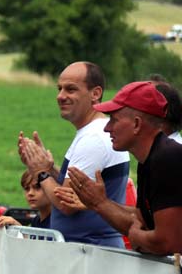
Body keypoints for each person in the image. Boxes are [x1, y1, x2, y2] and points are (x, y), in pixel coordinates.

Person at [62, 81, 182, 255]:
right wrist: (99, 203)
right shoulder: (150, 159)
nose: (106, 128)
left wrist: (136, 238)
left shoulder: (167, 159)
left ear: (136, 124)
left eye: (114, 120)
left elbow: (166, 242)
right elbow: (143, 218)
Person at [18, 61, 130, 248]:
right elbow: (75, 189)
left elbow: (66, 203)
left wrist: (41, 173)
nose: (61, 96)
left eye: (71, 89)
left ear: (95, 93)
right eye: (59, 89)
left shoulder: (94, 138)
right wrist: (47, 168)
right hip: (86, 250)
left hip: (90, 252)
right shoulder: (91, 132)